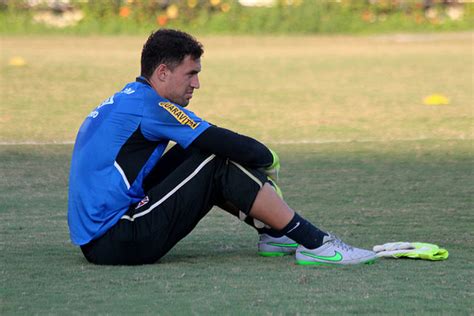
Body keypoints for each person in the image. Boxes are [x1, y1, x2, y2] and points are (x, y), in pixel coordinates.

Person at [68, 29, 376, 266]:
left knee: (198, 153)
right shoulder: (151, 106)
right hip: (117, 240)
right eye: (191, 73)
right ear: (162, 72)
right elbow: (219, 140)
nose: (197, 84)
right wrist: (267, 159)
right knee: (216, 160)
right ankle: (317, 244)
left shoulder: (131, 97)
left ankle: (274, 234)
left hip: (101, 237)